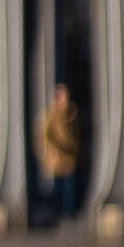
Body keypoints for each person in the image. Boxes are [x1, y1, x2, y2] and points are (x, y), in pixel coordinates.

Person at [37, 83, 81, 218]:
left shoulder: (73, 112)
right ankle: (58, 212)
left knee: (69, 188)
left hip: (70, 157)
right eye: (60, 96)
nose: (63, 99)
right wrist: (53, 148)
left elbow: (78, 134)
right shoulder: (51, 114)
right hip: (57, 158)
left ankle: (69, 211)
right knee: (58, 188)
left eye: (64, 95)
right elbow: (44, 133)